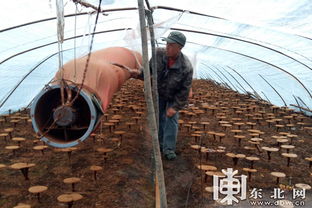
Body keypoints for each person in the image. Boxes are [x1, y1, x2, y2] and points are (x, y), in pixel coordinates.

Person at [138, 31, 193, 160]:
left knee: (171, 119)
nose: (167, 47)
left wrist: (175, 107)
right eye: (167, 44)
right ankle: (160, 143)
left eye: (171, 45)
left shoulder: (186, 66)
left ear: (180, 48)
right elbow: (148, 70)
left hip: (174, 96)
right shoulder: (158, 54)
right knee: (159, 118)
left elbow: (185, 91)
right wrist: (138, 74)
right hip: (159, 93)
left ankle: (169, 149)